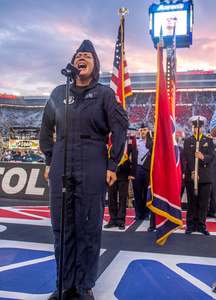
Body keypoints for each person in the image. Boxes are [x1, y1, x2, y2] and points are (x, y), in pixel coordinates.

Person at [39, 40, 129, 300]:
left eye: (87, 56)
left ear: (95, 64)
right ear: (73, 63)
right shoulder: (58, 92)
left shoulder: (104, 94)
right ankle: (64, 284)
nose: (82, 58)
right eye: (78, 55)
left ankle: (84, 285)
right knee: (62, 228)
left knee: (88, 228)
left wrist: (113, 163)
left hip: (93, 160)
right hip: (61, 160)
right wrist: (48, 159)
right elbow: (46, 127)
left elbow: (120, 127)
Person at [184, 116, 214, 235]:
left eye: (199, 127)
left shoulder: (209, 141)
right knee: (192, 202)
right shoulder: (188, 141)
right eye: (194, 127)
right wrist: (192, 172)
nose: (196, 129)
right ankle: (190, 224)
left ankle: (201, 224)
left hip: (205, 177)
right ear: (192, 128)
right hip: (192, 176)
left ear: (203, 128)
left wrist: (203, 157)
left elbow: (212, 156)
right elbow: (189, 157)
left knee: (203, 202)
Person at [104, 134, 138, 230]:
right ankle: (112, 219)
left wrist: (133, 172)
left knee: (123, 198)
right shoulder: (110, 136)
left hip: (124, 171)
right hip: (111, 170)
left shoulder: (130, 138)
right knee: (111, 197)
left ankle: (121, 220)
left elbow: (134, 155)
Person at [132, 123, 152, 221]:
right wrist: (134, 135)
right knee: (137, 192)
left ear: (148, 131)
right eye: (141, 130)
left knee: (147, 192)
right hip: (138, 168)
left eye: (145, 130)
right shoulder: (136, 141)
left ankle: (146, 213)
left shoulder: (151, 142)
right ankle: (138, 213)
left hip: (147, 169)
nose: (143, 132)